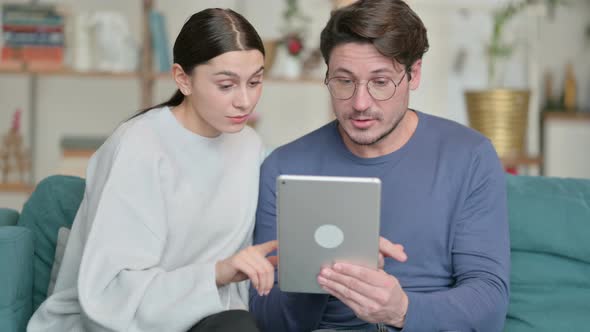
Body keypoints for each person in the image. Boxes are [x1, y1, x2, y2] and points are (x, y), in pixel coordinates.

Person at [249, 0, 510, 331]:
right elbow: (266, 319)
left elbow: (489, 304)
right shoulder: (283, 168)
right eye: (344, 81)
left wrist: (401, 309)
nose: (360, 103)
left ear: (413, 74)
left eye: (381, 82)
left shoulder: (469, 156)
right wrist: (316, 271)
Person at [28, 8, 277, 332]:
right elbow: (109, 295)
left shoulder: (249, 147)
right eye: (227, 85)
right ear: (182, 79)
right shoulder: (139, 145)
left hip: (207, 318)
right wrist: (217, 273)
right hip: (114, 322)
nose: (245, 101)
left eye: (255, 81)